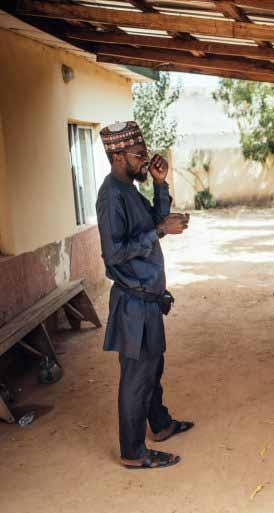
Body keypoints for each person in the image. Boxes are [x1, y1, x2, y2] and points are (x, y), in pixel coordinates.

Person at [96, 121, 194, 470]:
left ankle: (161, 425)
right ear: (118, 155)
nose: (144, 160)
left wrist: (160, 185)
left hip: (147, 299)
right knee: (137, 377)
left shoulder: (128, 190)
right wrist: (158, 229)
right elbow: (113, 254)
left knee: (152, 368)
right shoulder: (111, 196)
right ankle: (133, 452)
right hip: (132, 304)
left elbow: (154, 222)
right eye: (138, 155)